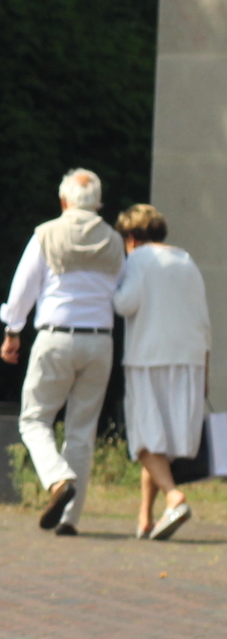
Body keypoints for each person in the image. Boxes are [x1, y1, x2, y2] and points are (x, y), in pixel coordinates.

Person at [0, 168, 123, 535]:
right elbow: (122, 292)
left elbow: (23, 288)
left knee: (34, 420)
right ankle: (70, 519)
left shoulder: (46, 234)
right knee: (82, 430)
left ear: (63, 200)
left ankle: (56, 480)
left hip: (55, 337)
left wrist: (12, 331)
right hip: (100, 340)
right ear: (99, 203)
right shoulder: (115, 241)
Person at [111, 204, 211, 541]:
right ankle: (145, 518)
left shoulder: (139, 259)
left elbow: (124, 304)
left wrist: (111, 283)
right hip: (190, 359)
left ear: (132, 236)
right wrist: (206, 370)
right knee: (161, 444)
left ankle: (174, 496)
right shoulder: (185, 259)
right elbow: (203, 318)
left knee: (143, 438)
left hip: (148, 357)